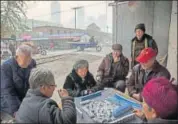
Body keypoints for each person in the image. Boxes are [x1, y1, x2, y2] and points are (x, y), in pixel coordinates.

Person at [1, 44, 36, 117]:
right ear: (16, 57)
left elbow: (33, 83)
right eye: (25, 61)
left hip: (24, 99)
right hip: (9, 101)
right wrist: (16, 110)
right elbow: (8, 91)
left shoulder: (32, 62)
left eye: (29, 60)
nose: (28, 63)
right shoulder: (6, 66)